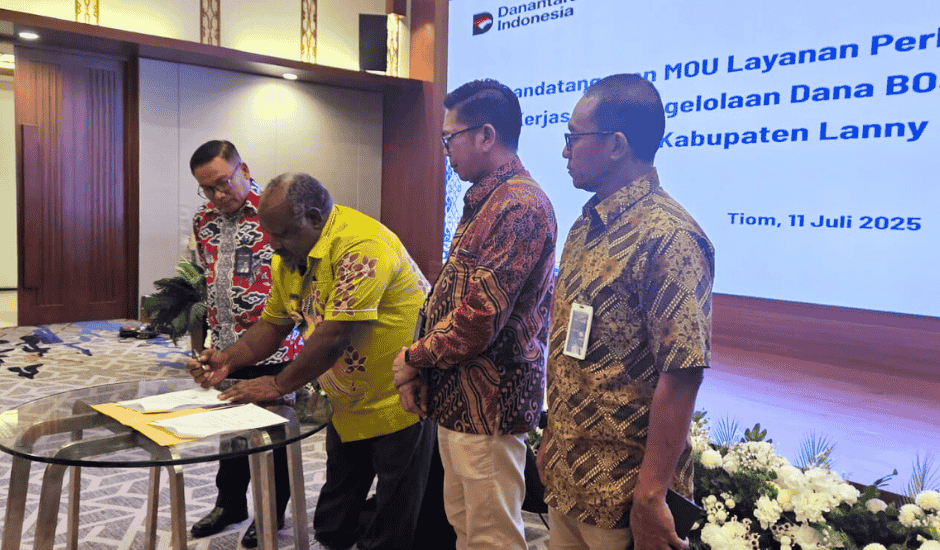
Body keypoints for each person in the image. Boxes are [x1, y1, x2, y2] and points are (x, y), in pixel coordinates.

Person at [188, 172, 435, 550]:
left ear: (315, 218)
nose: (273, 245)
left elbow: (334, 336)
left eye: (283, 234)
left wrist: (278, 383)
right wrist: (226, 359)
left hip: (402, 399)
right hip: (348, 401)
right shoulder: (290, 258)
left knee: (393, 526)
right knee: (332, 527)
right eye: (269, 234)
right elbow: (273, 325)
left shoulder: (363, 245)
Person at [536, 74, 715, 550]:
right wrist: (552, 435)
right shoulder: (585, 224)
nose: (565, 151)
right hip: (570, 475)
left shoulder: (670, 237)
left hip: (623, 495)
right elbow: (573, 344)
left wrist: (652, 494)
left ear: (616, 145)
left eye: (574, 137)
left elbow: (682, 373)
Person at [392, 78, 557, 550]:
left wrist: (413, 357)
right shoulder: (487, 199)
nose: (445, 151)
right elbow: (453, 298)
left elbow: (479, 318)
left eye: (450, 138)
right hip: (460, 399)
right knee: (466, 528)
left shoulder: (519, 206)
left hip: (491, 406)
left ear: (485, 135)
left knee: (492, 537)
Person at [188, 140, 303, 548]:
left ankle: (271, 512)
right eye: (208, 188)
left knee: (274, 438)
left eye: (224, 183)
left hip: (275, 344)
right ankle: (230, 504)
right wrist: (203, 343)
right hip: (226, 347)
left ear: (245, 171)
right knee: (231, 431)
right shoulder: (203, 221)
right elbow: (203, 282)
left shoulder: (273, 213)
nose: (218, 195)